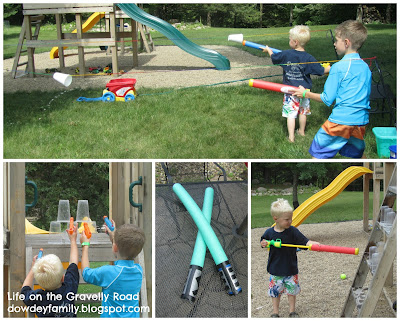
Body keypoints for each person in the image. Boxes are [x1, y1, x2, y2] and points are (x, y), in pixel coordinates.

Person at [292, 20, 371, 158]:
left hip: (340, 121)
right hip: (360, 121)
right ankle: (368, 174)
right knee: (356, 154)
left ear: (346, 43)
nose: (334, 43)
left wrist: (305, 93)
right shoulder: (365, 67)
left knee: (317, 153)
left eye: (337, 40)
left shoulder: (338, 68)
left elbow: (327, 99)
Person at [263, 25, 330, 142]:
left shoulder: (286, 54)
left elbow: (274, 57)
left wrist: (268, 50)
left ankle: (291, 137)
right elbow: (321, 71)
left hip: (291, 91)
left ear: (295, 42)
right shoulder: (309, 57)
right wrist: (329, 68)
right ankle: (302, 132)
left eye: (290, 39)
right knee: (303, 112)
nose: (289, 41)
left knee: (291, 114)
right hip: (304, 92)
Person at [260, 198, 319, 318]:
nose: (290, 221)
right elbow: (263, 240)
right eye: (287, 219)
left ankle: (292, 311)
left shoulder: (293, 231)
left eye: (291, 218)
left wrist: (313, 244)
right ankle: (275, 312)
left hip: (291, 269)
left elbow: (304, 242)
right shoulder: (270, 233)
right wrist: (264, 243)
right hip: (275, 269)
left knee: (292, 292)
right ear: (276, 219)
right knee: (275, 293)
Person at [80, 219, 145, 318]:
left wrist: (85, 245)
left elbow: (86, 274)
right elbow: (122, 252)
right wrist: (114, 236)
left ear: (115, 247)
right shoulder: (138, 271)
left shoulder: (108, 273)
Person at [21, 223, 80, 317]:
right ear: (62, 278)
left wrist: (33, 268)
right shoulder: (69, 288)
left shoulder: (38, 297)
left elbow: (24, 290)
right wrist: (73, 240)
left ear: (40, 283)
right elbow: (73, 263)